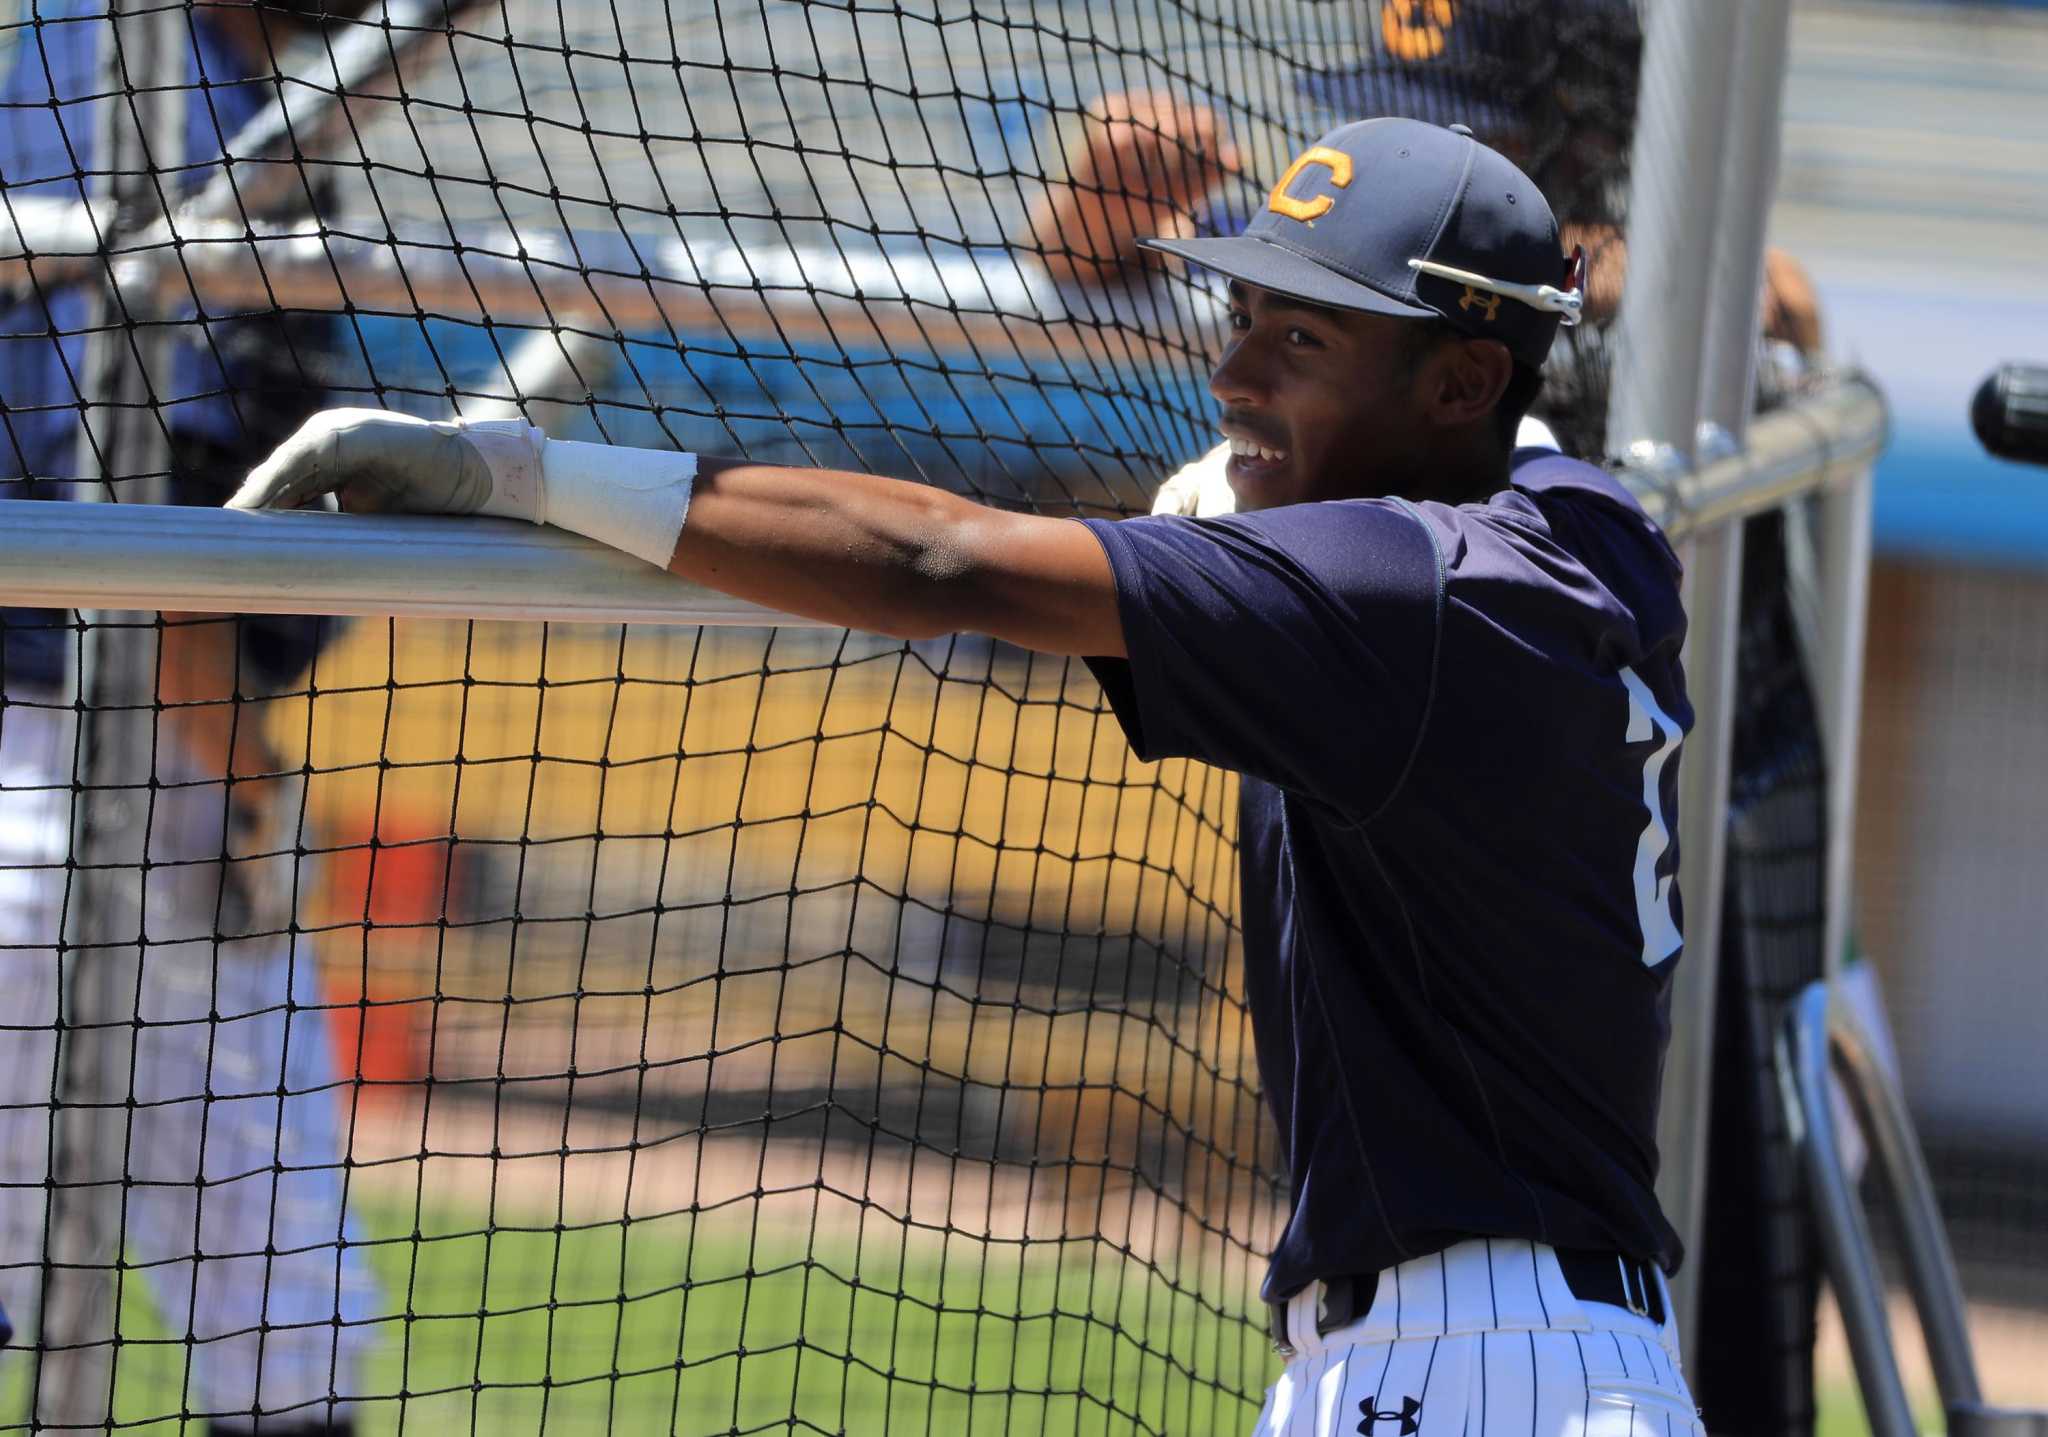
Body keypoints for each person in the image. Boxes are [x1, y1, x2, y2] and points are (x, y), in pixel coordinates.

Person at [231, 116, 1700, 1437]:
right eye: (1244, 314)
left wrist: (531, 474)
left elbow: (944, 555)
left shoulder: (1403, 592)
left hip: (1467, 1371)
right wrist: (1272, 488)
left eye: (1302, 345)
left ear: (1463, 381)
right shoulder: (1584, 530)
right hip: (1508, 1353)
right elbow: (1478, 487)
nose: (1232, 372)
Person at [0, 5, 379, 1432]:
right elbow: (134, 491)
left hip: (66, 741)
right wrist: (240, 769)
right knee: (288, 1334)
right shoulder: (190, 108)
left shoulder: (61, 54)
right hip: (113, 755)